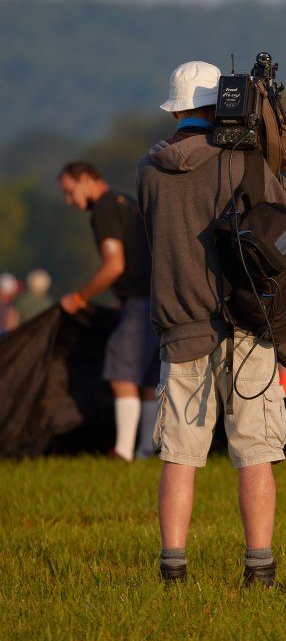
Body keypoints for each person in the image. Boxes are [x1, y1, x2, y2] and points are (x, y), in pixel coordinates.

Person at [136, 60, 286, 586]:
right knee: (255, 452)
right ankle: (260, 568)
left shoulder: (149, 167)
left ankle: (173, 567)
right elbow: (282, 215)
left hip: (179, 319)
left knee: (180, 454)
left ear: (178, 108)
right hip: (245, 322)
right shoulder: (240, 163)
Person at [58, 161, 159, 461]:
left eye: (70, 191)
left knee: (121, 371)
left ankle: (125, 451)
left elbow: (114, 265)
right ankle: (147, 450)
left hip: (140, 301)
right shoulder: (125, 201)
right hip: (158, 297)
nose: (70, 201)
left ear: (87, 179)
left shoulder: (104, 208)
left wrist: (79, 297)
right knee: (150, 378)